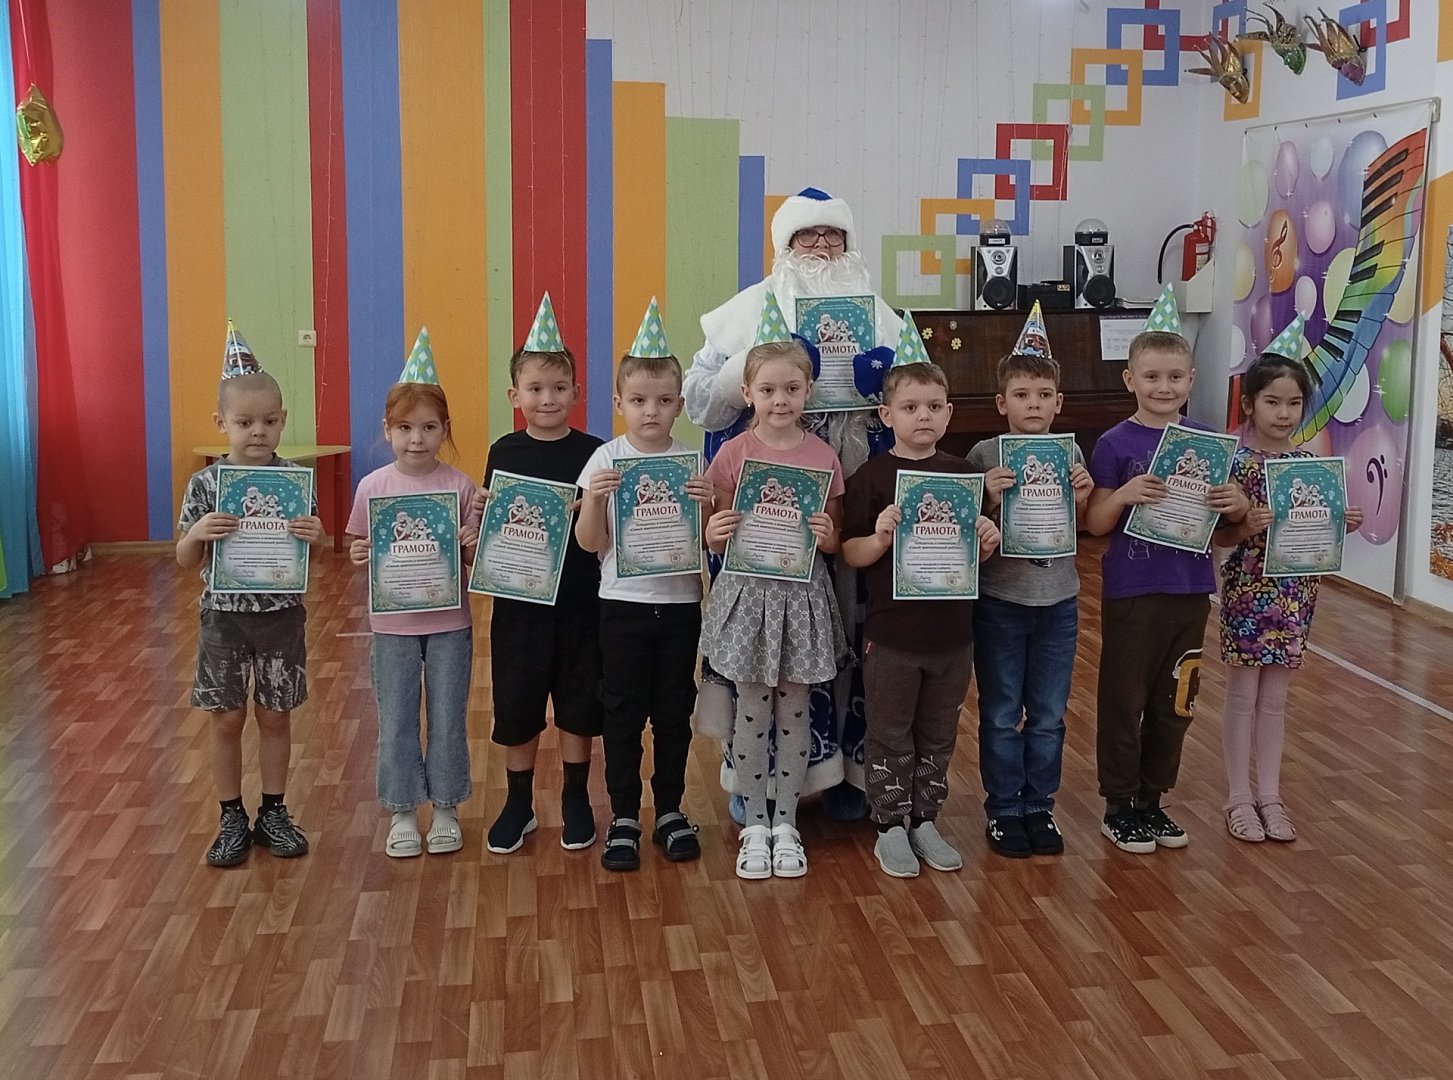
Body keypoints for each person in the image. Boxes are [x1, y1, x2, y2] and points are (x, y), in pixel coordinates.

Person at [684, 186, 902, 822]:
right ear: (785, 245)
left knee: (849, 629)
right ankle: (754, 783)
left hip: (850, 502)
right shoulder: (748, 309)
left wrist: (883, 380)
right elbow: (700, 400)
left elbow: (916, 400)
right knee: (765, 644)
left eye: (833, 235)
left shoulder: (878, 314)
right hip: (767, 522)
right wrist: (747, 371)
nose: (821, 247)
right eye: (808, 235)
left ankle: (844, 773)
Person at [1085, 287, 1249, 853]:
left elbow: (1224, 532)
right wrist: (1124, 494)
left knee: (1176, 700)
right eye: (1152, 376)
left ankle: (1152, 801)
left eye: (1175, 377)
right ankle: (1118, 804)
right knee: (1123, 700)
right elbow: (1095, 524)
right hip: (1133, 593)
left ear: (1192, 379)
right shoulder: (1114, 443)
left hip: (1191, 591)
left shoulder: (1211, 443)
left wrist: (1237, 506)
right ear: (1129, 379)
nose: (1164, 387)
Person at [841, 318, 1000, 878]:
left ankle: (925, 818)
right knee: (889, 732)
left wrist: (987, 542)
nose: (923, 416)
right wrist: (880, 538)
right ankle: (889, 825)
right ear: (887, 416)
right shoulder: (871, 478)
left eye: (933, 406)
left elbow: (973, 560)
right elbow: (850, 553)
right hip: (892, 636)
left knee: (938, 731)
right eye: (910, 407)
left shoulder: (964, 476)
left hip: (953, 636)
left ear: (949, 414)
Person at [701, 296, 848, 879]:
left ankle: (787, 821)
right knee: (752, 710)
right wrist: (714, 529)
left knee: (794, 709)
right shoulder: (733, 453)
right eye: (768, 390)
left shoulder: (823, 455)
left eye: (791, 388)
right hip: (747, 600)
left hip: (802, 600)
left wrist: (828, 534)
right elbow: (714, 527)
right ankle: (754, 823)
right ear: (747, 394)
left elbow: (834, 539)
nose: (780, 399)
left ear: (808, 390)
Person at [178, 322, 324, 867]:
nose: (257, 432)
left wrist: (317, 538)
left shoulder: (295, 483)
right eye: (244, 422)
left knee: (276, 715)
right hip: (223, 618)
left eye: (268, 421)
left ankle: (275, 812)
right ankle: (231, 816)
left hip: (282, 616)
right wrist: (198, 533)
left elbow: (312, 559)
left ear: (282, 419)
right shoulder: (206, 486)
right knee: (225, 718)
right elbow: (183, 558)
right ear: (222, 424)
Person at [575, 299, 714, 871]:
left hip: (680, 607)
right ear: (619, 404)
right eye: (638, 401)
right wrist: (595, 501)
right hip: (623, 607)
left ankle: (671, 811)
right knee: (623, 714)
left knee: (674, 712)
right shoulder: (605, 459)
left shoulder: (692, 462)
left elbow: (707, 543)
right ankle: (625, 816)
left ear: (679, 404)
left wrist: (709, 509)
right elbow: (590, 544)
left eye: (662, 400)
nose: (650, 411)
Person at [1215, 322, 1365, 843]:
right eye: (1273, 402)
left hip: (1295, 596)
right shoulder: (1234, 465)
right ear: (1250, 404)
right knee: (1242, 696)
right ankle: (1238, 797)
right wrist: (1243, 524)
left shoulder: (1310, 467)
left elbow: (1314, 532)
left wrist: (1340, 523)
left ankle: (1271, 796)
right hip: (1247, 592)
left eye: (1294, 403)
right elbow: (1217, 537)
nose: (1284, 413)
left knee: (1276, 700)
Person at [346, 329, 481, 857]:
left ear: (445, 430)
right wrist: (359, 554)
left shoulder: (460, 486)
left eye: (428, 427)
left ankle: (446, 806)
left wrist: (470, 543)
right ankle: (402, 808)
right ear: (388, 430)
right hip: (392, 628)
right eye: (404, 428)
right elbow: (359, 545)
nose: (417, 439)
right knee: (397, 719)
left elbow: (472, 562)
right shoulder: (373, 487)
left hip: (450, 624)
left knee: (447, 719)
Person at [965, 307, 1093, 858]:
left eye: (1043, 395)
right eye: (1022, 395)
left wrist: (1082, 496)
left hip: (1059, 601)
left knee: (1048, 715)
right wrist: (987, 495)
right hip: (1000, 600)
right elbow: (966, 533)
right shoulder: (982, 455)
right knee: (999, 713)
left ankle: (1039, 806)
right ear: (1002, 403)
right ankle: (1002, 809)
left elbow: (1081, 528)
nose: (1033, 404)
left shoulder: (1072, 453)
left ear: (1058, 403)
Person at [480, 295, 605, 854]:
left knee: (579, 701)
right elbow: (494, 527)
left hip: (582, 600)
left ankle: (576, 797)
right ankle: (519, 802)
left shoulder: (597, 453)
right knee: (518, 701)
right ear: (515, 396)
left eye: (558, 388)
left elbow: (610, 530)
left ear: (577, 393)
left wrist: (596, 509)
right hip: (519, 605)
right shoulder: (503, 452)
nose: (547, 398)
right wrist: (480, 520)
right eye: (535, 389)